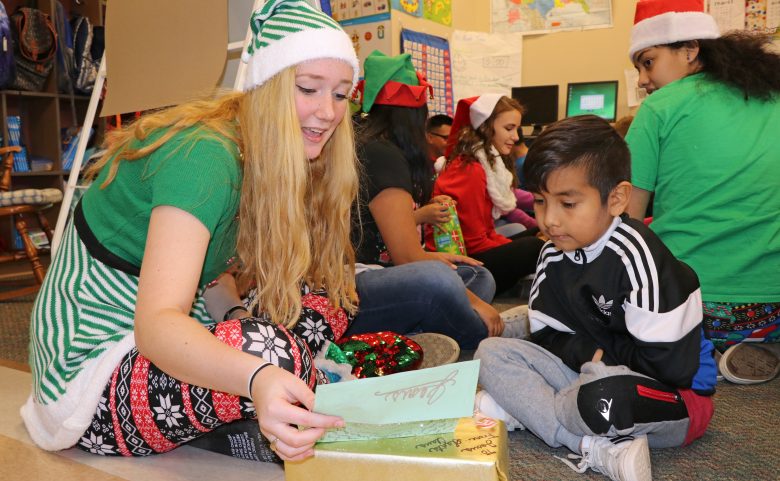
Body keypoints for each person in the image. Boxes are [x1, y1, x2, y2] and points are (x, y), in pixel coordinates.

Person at [23, 0, 361, 462]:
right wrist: (257, 374)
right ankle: (287, 395)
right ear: (267, 86)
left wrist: (240, 316)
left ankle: (270, 401)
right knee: (273, 356)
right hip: (88, 383)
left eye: (341, 94)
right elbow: (158, 327)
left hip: (170, 344)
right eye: (307, 88)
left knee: (325, 297)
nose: (327, 112)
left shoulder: (262, 153)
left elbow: (211, 276)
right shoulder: (204, 157)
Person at [475, 115, 717, 481]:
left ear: (616, 198)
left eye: (568, 204)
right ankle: (590, 446)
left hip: (676, 397)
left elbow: (671, 369)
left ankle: (527, 410)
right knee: (490, 353)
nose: (549, 221)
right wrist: (592, 358)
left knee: (597, 397)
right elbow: (548, 337)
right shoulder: (552, 254)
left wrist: (594, 358)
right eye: (540, 201)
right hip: (592, 375)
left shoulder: (638, 255)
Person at [624, 0, 780, 384]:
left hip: (693, 305)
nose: (643, 80)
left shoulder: (659, 107)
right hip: (772, 308)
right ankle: (753, 343)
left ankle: (696, 349)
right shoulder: (772, 98)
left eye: (647, 62)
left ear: (691, 49)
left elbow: (623, 222)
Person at [345, 51, 520, 349]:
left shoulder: (372, 144)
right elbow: (407, 258)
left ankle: (417, 336)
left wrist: (436, 260)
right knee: (440, 282)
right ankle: (486, 335)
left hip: (377, 273)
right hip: (355, 282)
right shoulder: (382, 154)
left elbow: (397, 243)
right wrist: (475, 302)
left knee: (477, 276)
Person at [430, 94, 544, 295]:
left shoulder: (484, 164)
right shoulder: (471, 169)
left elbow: (487, 232)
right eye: (509, 129)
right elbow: (474, 243)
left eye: (516, 129)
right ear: (485, 127)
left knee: (540, 234)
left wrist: (512, 246)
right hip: (463, 261)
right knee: (536, 245)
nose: (516, 137)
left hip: (474, 248)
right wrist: (516, 249)